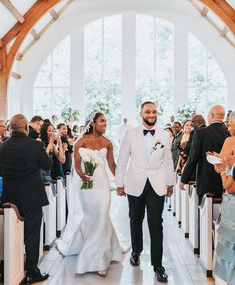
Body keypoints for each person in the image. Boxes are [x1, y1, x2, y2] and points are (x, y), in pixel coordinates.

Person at [56, 112, 122, 276]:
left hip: (103, 184)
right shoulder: (82, 141)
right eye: (102, 121)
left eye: (106, 121)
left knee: (102, 214)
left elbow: (112, 164)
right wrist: (82, 175)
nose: (105, 124)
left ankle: (101, 258)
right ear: (93, 123)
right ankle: (86, 245)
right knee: (92, 217)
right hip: (86, 183)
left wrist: (120, 182)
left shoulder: (107, 143)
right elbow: (76, 164)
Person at [115, 101, 174, 282]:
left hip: (157, 184)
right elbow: (123, 158)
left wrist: (170, 183)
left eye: (154, 112)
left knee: (156, 223)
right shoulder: (131, 133)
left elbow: (168, 160)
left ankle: (158, 265)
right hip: (135, 183)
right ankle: (136, 251)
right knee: (135, 219)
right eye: (148, 111)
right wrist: (119, 182)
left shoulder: (164, 135)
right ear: (141, 113)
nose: (151, 114)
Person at [0, 114, 52, 284]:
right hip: (32, 196)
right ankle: (31, 271)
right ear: (26, 127)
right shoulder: (35, 146)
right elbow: (47, 165)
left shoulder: (2, 147)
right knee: (32, 234)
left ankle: (10, 268)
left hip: (9, 197)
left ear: (11, 128)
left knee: (10, 232)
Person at [179, 105, 230, 204]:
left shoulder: (201, 133)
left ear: (211, 115)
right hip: (227, 181)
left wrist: (183, 179)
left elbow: (193, 157)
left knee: (204, 214)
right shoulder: (230, 132)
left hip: (206, 181)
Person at [209, 111, 235, 284]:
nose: (228, 126)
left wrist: (223, 169)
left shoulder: (230, 142)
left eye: (231, 124)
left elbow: (229, 186)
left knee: (229, 251)